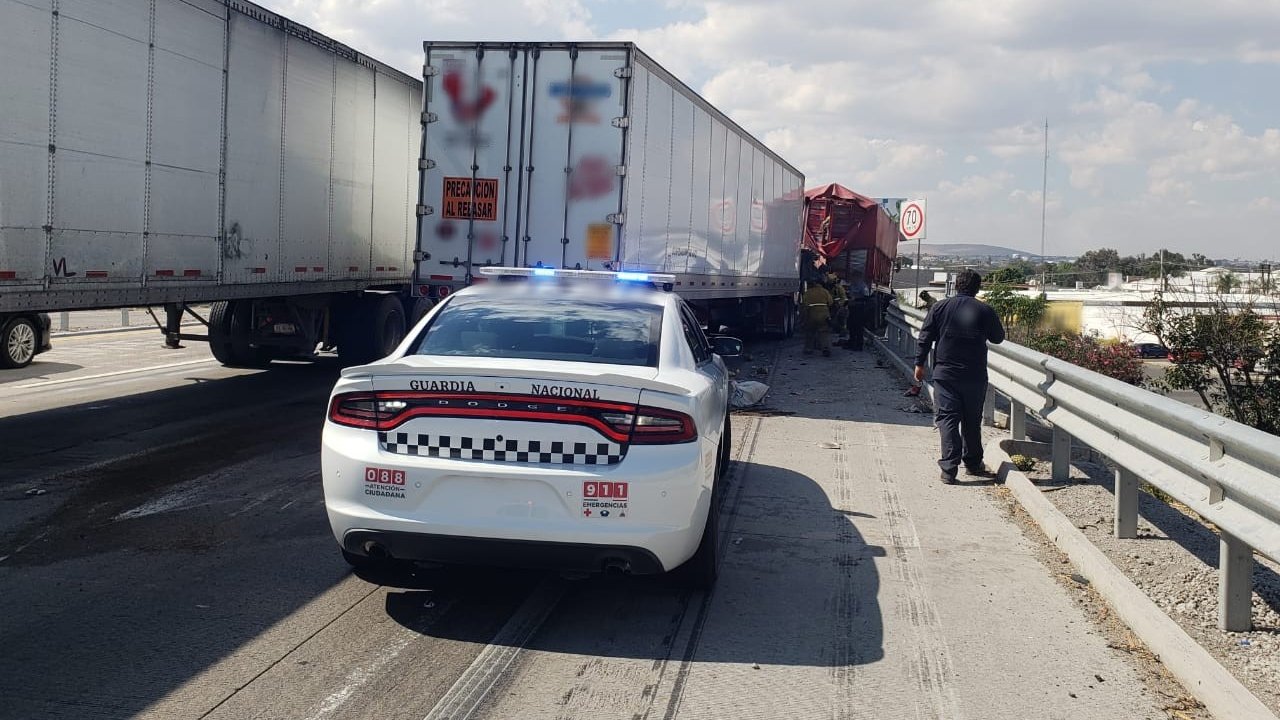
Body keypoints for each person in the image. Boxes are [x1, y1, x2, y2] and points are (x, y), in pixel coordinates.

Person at [913, 269, 1006, 484]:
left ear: (956, 286)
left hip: (945, 374)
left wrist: (919, 363)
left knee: (947, 418)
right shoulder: (985, 310)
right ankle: (973, 463)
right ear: (977, 288)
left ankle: (949, 469)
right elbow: (998, 338)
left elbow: (925, 337)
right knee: (972, 420)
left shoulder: (940, 307)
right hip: (974, 375)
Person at [801, 281, 833, 357]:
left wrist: (803, 318)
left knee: (810, 332)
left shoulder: (808, 292)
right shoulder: (825, 291)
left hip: (812, 314)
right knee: (824, 332)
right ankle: (825, 348)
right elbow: (830, 302)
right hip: (824, 315)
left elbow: (804, 304)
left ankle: (808, 348)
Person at [844, 270, 872, 351]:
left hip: (860, 309)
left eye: (854, 277)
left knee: (858, 327)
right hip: (852, 309)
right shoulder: (852, 285)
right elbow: (850, 295)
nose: (852, 279)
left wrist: (856, 299)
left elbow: (866, 298)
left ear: (858, 277)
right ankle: (852, 342)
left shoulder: (863, 286)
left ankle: (859, 345)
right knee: (851, 326)